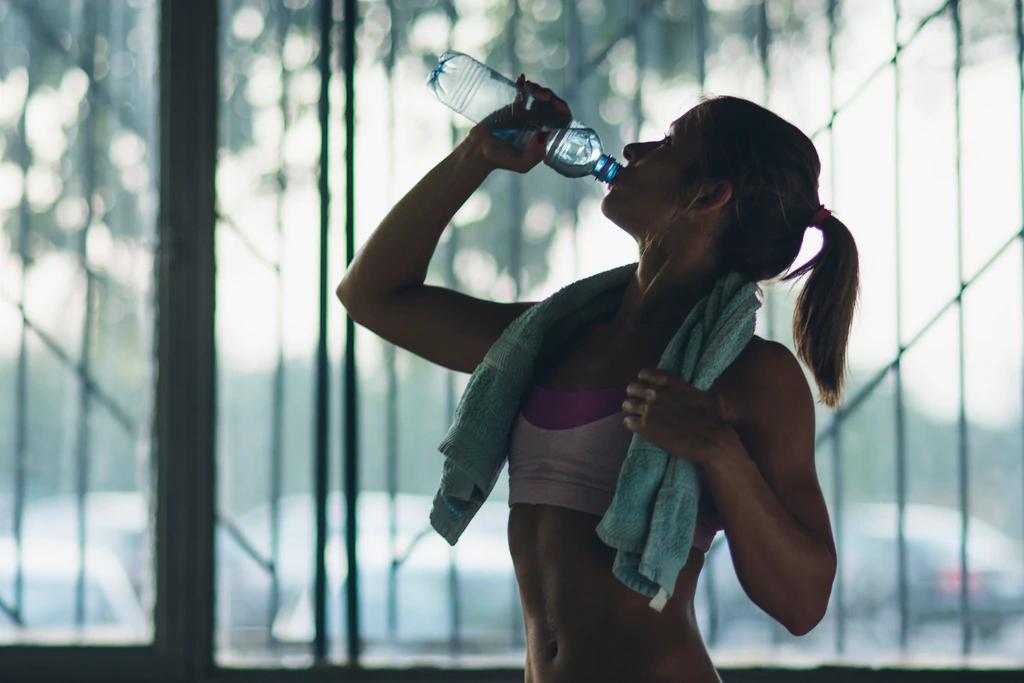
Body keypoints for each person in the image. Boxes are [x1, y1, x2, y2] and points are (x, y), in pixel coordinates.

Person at [337, 77, 855, 682]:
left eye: (666, 143)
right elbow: (372, 295)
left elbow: (803, 603)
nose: (634, 150)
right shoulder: (552, 335)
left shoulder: (749, 374)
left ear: (709, 194)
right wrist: (476, 155)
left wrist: (718, 450)